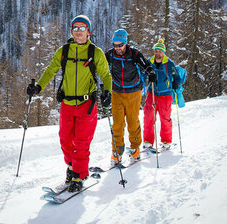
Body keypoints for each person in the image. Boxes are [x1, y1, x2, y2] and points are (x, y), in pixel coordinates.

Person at [26, 15, 112, 192]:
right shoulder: (63, 51)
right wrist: (39, 87)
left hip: (86, 104)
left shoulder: (95, 53)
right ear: (71, 31)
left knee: (81, 142)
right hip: (67, 103)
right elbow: (51, 69)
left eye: (82, 28)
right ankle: (72, 166)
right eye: (75, 28)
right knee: (65, 140)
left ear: (88, 32)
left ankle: (79, 175)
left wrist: (107, 92)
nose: (78, 32)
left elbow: (106, 75)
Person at [105, 29, 155, 166]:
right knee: (117, 124)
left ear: (125, 43)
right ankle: (117, 152)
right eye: (115, 45)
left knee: (133, 121)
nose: (118, 48)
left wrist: (150, 72)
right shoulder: (110, 54)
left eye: (120, 45)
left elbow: (146, 65)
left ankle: (135, 148)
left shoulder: (134, 54)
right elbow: (101, 67)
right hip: (116, 92)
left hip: (133, 92)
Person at [143, 39, 181, 151]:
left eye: (159, 51)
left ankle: (166, 141)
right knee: (148, 117)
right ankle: (148, 141)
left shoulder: (169, 63)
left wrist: (175, 83)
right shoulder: (150, 62)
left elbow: (177, 77)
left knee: (165, 118)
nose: (157, 53)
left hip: (166, 94)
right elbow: (143, 74)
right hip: (152, 92)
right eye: (156, 51)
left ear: (163, 52)